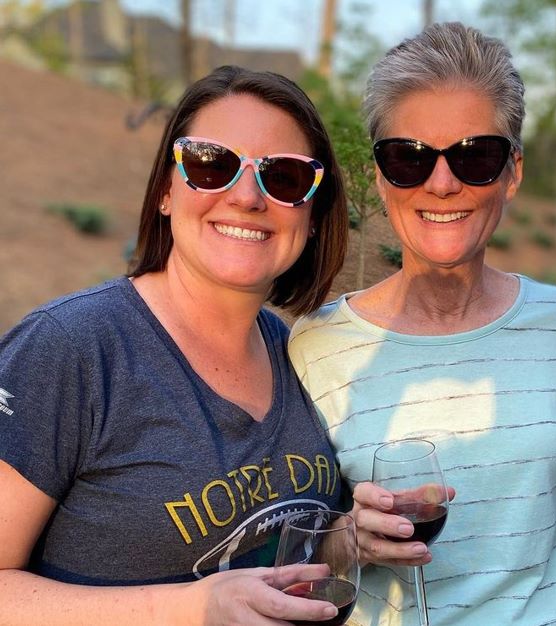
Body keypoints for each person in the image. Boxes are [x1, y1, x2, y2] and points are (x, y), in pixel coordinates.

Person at [0, 65, 351, 625]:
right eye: (211, 164)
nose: (247, 197)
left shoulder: (294, 351)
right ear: (166, 190)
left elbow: (277, 545)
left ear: (311, 214)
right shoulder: (72, 349)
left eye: (284, 177)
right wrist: (192, 608)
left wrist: (351, 539)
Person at [288, 22, 556, 626]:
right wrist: (350, 539)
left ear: (513, 171)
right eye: (408, 158)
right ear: (381, 178)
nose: (442, 183)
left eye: (475, 156)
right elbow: (298, 551)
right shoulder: (318, 347)